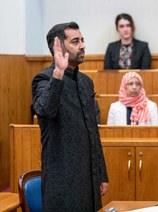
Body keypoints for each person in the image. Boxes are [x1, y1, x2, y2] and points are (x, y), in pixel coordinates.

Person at [32, 22, 108, 211]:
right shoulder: (43, 79)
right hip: (62, 181)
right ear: (59, 46)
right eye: (75, 41)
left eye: (82, 40)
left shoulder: (86, 82)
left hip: (89, 178)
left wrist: (101, 174)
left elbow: (93, 133)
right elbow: (46, 110)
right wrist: (58, 74)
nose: (82, 45)